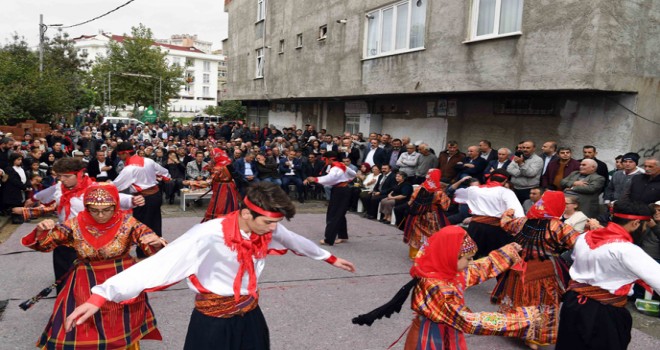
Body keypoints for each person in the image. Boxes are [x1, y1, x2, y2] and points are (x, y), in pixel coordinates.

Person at [65, 182, 356, 349]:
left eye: (275, 224)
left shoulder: (268, 229)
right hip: (212, 321)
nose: (272, 231)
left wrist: (328, 257)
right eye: (268, 223)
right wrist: (102, 294)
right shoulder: (207, 234)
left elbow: (293, 240)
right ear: (245, 213)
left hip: (250, 314)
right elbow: (160, 264)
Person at [21, 182, 166, 349]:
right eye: (94, 210)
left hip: (120, 278)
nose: (101, 215)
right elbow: (44, 245)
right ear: (86, 207)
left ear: (115, 205)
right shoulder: (74, 224)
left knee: (118, 326)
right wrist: (41, 231)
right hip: (85, 280)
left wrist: (155, 243)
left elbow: (150, 244)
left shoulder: (128, 223)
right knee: (81, 326)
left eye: (107, 210)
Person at [353, 226, 546, 350]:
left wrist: (508, 252)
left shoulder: (444, 271)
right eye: (467, 258)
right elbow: (468, 320)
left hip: (446, 330)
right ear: (449, 256)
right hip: (432, 339)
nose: (471, 262)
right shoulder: (438, 286)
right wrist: (520, 319)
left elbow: (478, 269)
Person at [19, 157, 144, 292]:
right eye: (59, 176)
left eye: (66, 176)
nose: (62, 179)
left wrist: (133, 200)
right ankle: (65, 304)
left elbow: (115, 197)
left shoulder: (94, 189)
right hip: (63, 236)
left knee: (87, 277)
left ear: (79, 174)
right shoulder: (60, 188)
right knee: (63, 276)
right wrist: (32, 199)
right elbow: (47, 193)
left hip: (86, 238)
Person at [556, 200, 660, 350]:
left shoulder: (584, 237)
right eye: (645, 226)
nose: (644, 230)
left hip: (572, 304)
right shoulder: (626, 250)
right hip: (604, 313)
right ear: (636, 224)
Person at [495, 191, 580, 348]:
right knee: (541, 301)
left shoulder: (522, 221)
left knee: (516, 296)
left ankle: (513, 328)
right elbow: (581, 244)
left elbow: (506, 223)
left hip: (519, 266)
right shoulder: (559, 227)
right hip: (544, 269)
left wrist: (507, 214)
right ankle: (534, 337)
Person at [454, 169, 525, 257]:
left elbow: (456, 195)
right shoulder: (506, 192)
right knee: (495, 258)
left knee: (472, 255)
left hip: (475, 227)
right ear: (505, 181)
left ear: (490, 178)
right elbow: (518, 214)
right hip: (495, 229)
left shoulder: (474, 190)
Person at [114, 142, 171, 252]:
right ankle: (158, 249)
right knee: (155, 222)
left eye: (120, 155)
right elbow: (165, 173)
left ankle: (144, 252)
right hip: (156, 195)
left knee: (142, 226)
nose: (119, 157)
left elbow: (116, 187)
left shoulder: (130, 169)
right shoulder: (148, 161)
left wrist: (104, 186)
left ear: (125, 153)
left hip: (143, 199)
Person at [305, 151, 357, 245]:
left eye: (324, 159)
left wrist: (315, 179)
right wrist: (347, 179)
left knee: (333, 215)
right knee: (339, 213)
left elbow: (330, 178)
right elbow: (353, 174)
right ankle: (342, 235)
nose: (324, 161)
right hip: (343, 189)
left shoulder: (336, 167)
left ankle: (329, 239)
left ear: (329, 159)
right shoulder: (342, 165)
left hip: (340, 191)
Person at [403, 169, 451, 259]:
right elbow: (445, 206)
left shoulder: (419, 188)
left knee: (417, 233)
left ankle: (415, 254)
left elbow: (411, 200)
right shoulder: (439, 192)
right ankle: (429, 255)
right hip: (432, 215)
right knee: (432, 234)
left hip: (417, 214)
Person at [202, 148, 240, 222]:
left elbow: (209, 181)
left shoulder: (219, 167)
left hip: (222, 189)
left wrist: (192, 183)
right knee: (231, 204)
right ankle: (231, 221)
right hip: (230, 187)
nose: (211, 158)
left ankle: (220, 222)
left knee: (220, 206)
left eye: (212, 156)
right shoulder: (228, 163)